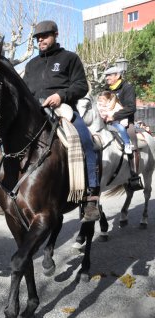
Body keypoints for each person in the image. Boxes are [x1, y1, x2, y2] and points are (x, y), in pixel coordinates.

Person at [23, 20, 99, 222]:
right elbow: (24, 92)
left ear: (56, 35)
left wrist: (61, 96)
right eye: (38, 38)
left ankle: (91, 196)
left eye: (45, 36)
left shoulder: (69, 58)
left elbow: (82, 86)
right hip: (35, 113)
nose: (41, 40)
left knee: (87, 142)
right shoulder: (31, 65)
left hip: (62, 109)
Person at [104, 66, 139, 174]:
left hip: (125, 122)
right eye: (106, 75)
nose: (106, 78)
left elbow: (131, 107)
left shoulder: (127, 88)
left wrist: (114, 116)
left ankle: (134, 175)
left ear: (118, 75)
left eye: (109, 75)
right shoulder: (106, 89)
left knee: (132, 140)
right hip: (107, 122)